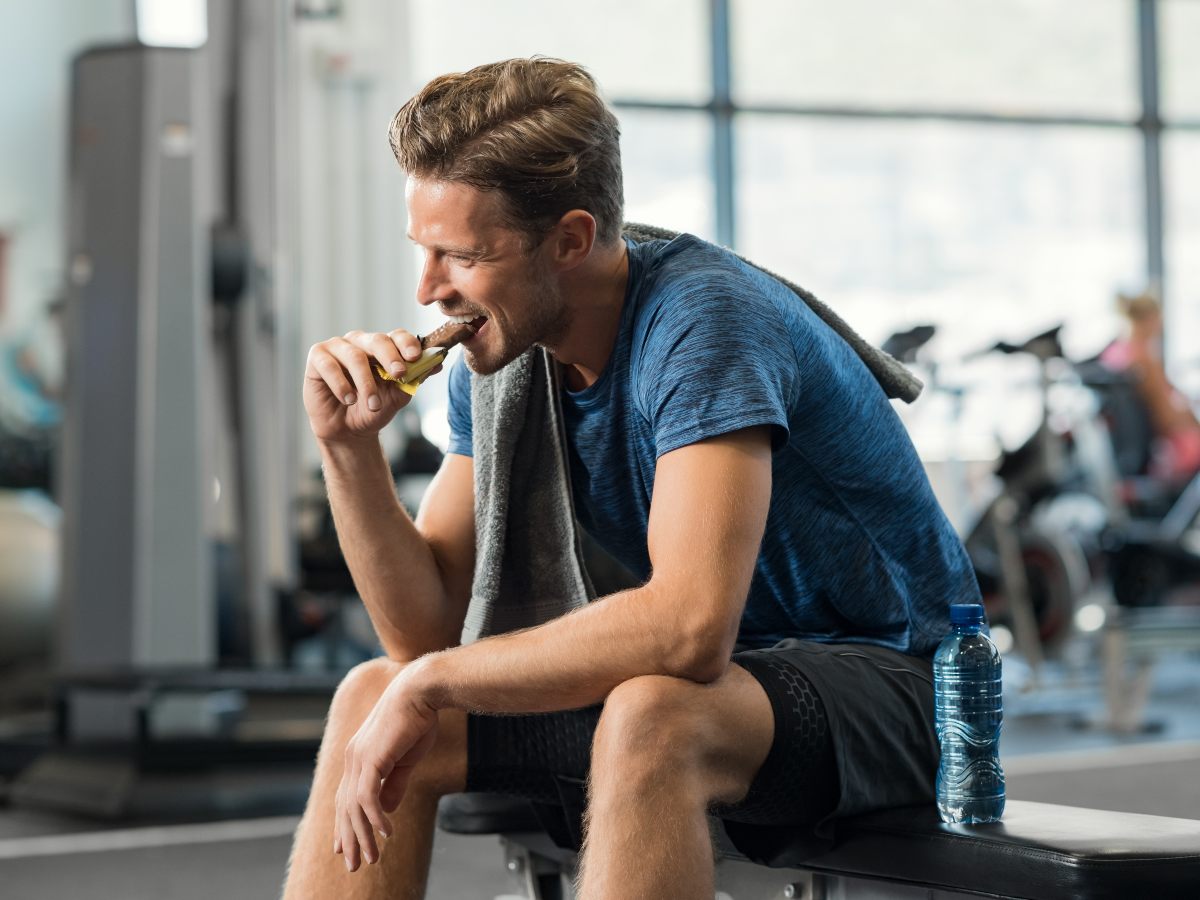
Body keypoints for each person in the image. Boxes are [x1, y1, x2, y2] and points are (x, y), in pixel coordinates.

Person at [282, 57, 979, 900]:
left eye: (459, 256)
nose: (429, 290)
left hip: (910, 687)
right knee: (372, 692)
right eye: (423, 251)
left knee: (655, 715)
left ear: (571, 240)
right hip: (738, 683)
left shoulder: (706, 323)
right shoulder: (500, 352)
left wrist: (433, 682)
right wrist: (347, 451)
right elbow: (421, 636)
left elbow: (687, 631)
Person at [1100, 290, 1200, 485]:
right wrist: (1193, 421)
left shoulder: (1115, 353)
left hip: (1128, 452)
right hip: (1164, 451)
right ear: (1150, 319)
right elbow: (1165, 420)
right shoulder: (1145, 360)